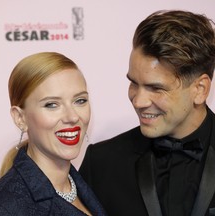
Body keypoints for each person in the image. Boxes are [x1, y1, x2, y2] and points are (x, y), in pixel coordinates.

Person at [79, 10, 215, 216]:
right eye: (134, 83)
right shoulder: (101, 164)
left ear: (200, 89)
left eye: (156, 88)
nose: (138, 101)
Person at [0, 52, 107, 216]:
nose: (72, 117)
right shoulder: (4, 208)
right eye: (52, 105)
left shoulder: (84, 182)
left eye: (80, 100)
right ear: (20, 118)